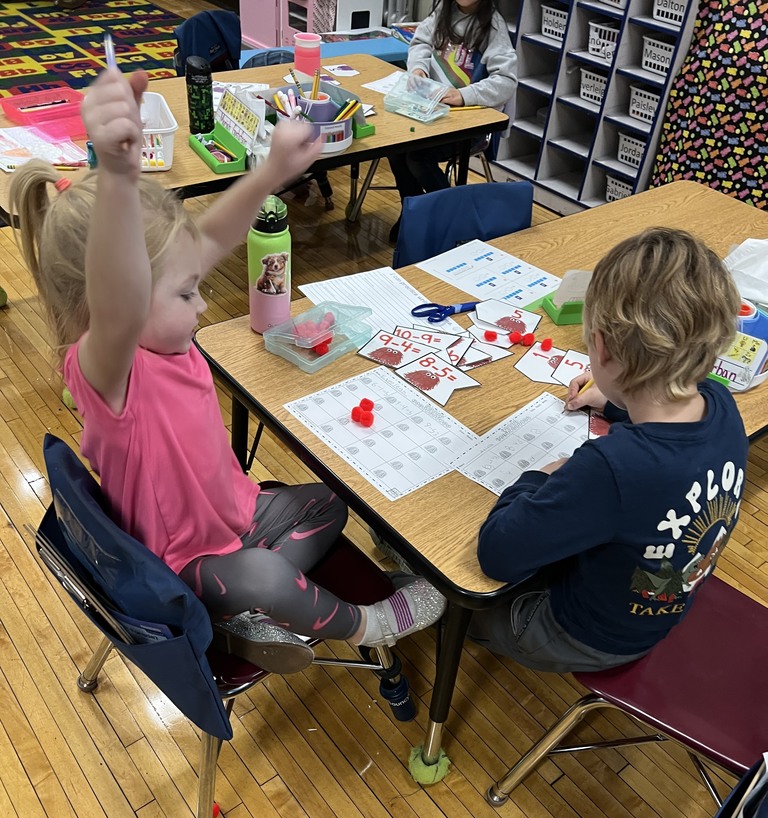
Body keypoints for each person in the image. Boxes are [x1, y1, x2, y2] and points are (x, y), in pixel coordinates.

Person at [10, 66, 446, 674]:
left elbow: (212, 234)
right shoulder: (110, 369)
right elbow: (120, 294)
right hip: (182, 561)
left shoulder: (160, 332)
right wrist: (116, 174)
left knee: (329, 505)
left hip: (237, 514)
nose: (204, 301)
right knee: (264, 576)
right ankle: (368, 622)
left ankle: (241, 613)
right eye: (187, 292)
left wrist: (271, 172)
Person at [467, 227, 748, 673]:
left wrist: (541, 476)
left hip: (588, 636)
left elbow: (497, 554)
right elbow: (669, 440)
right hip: (659, 602)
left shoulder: (611, 468)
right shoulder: (720, 403)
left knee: (455, 593)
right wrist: (617, 402)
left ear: (600, 347)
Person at [388, 0, 517, 243]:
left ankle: (453, 216)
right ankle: (412, 213)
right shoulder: (443, 11)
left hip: (467, 123)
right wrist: (418, 69)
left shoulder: (492, 26)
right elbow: (421, 42)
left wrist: (463, 95)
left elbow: (506, 81)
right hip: (430, 112)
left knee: (417, 157)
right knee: (396, 149)